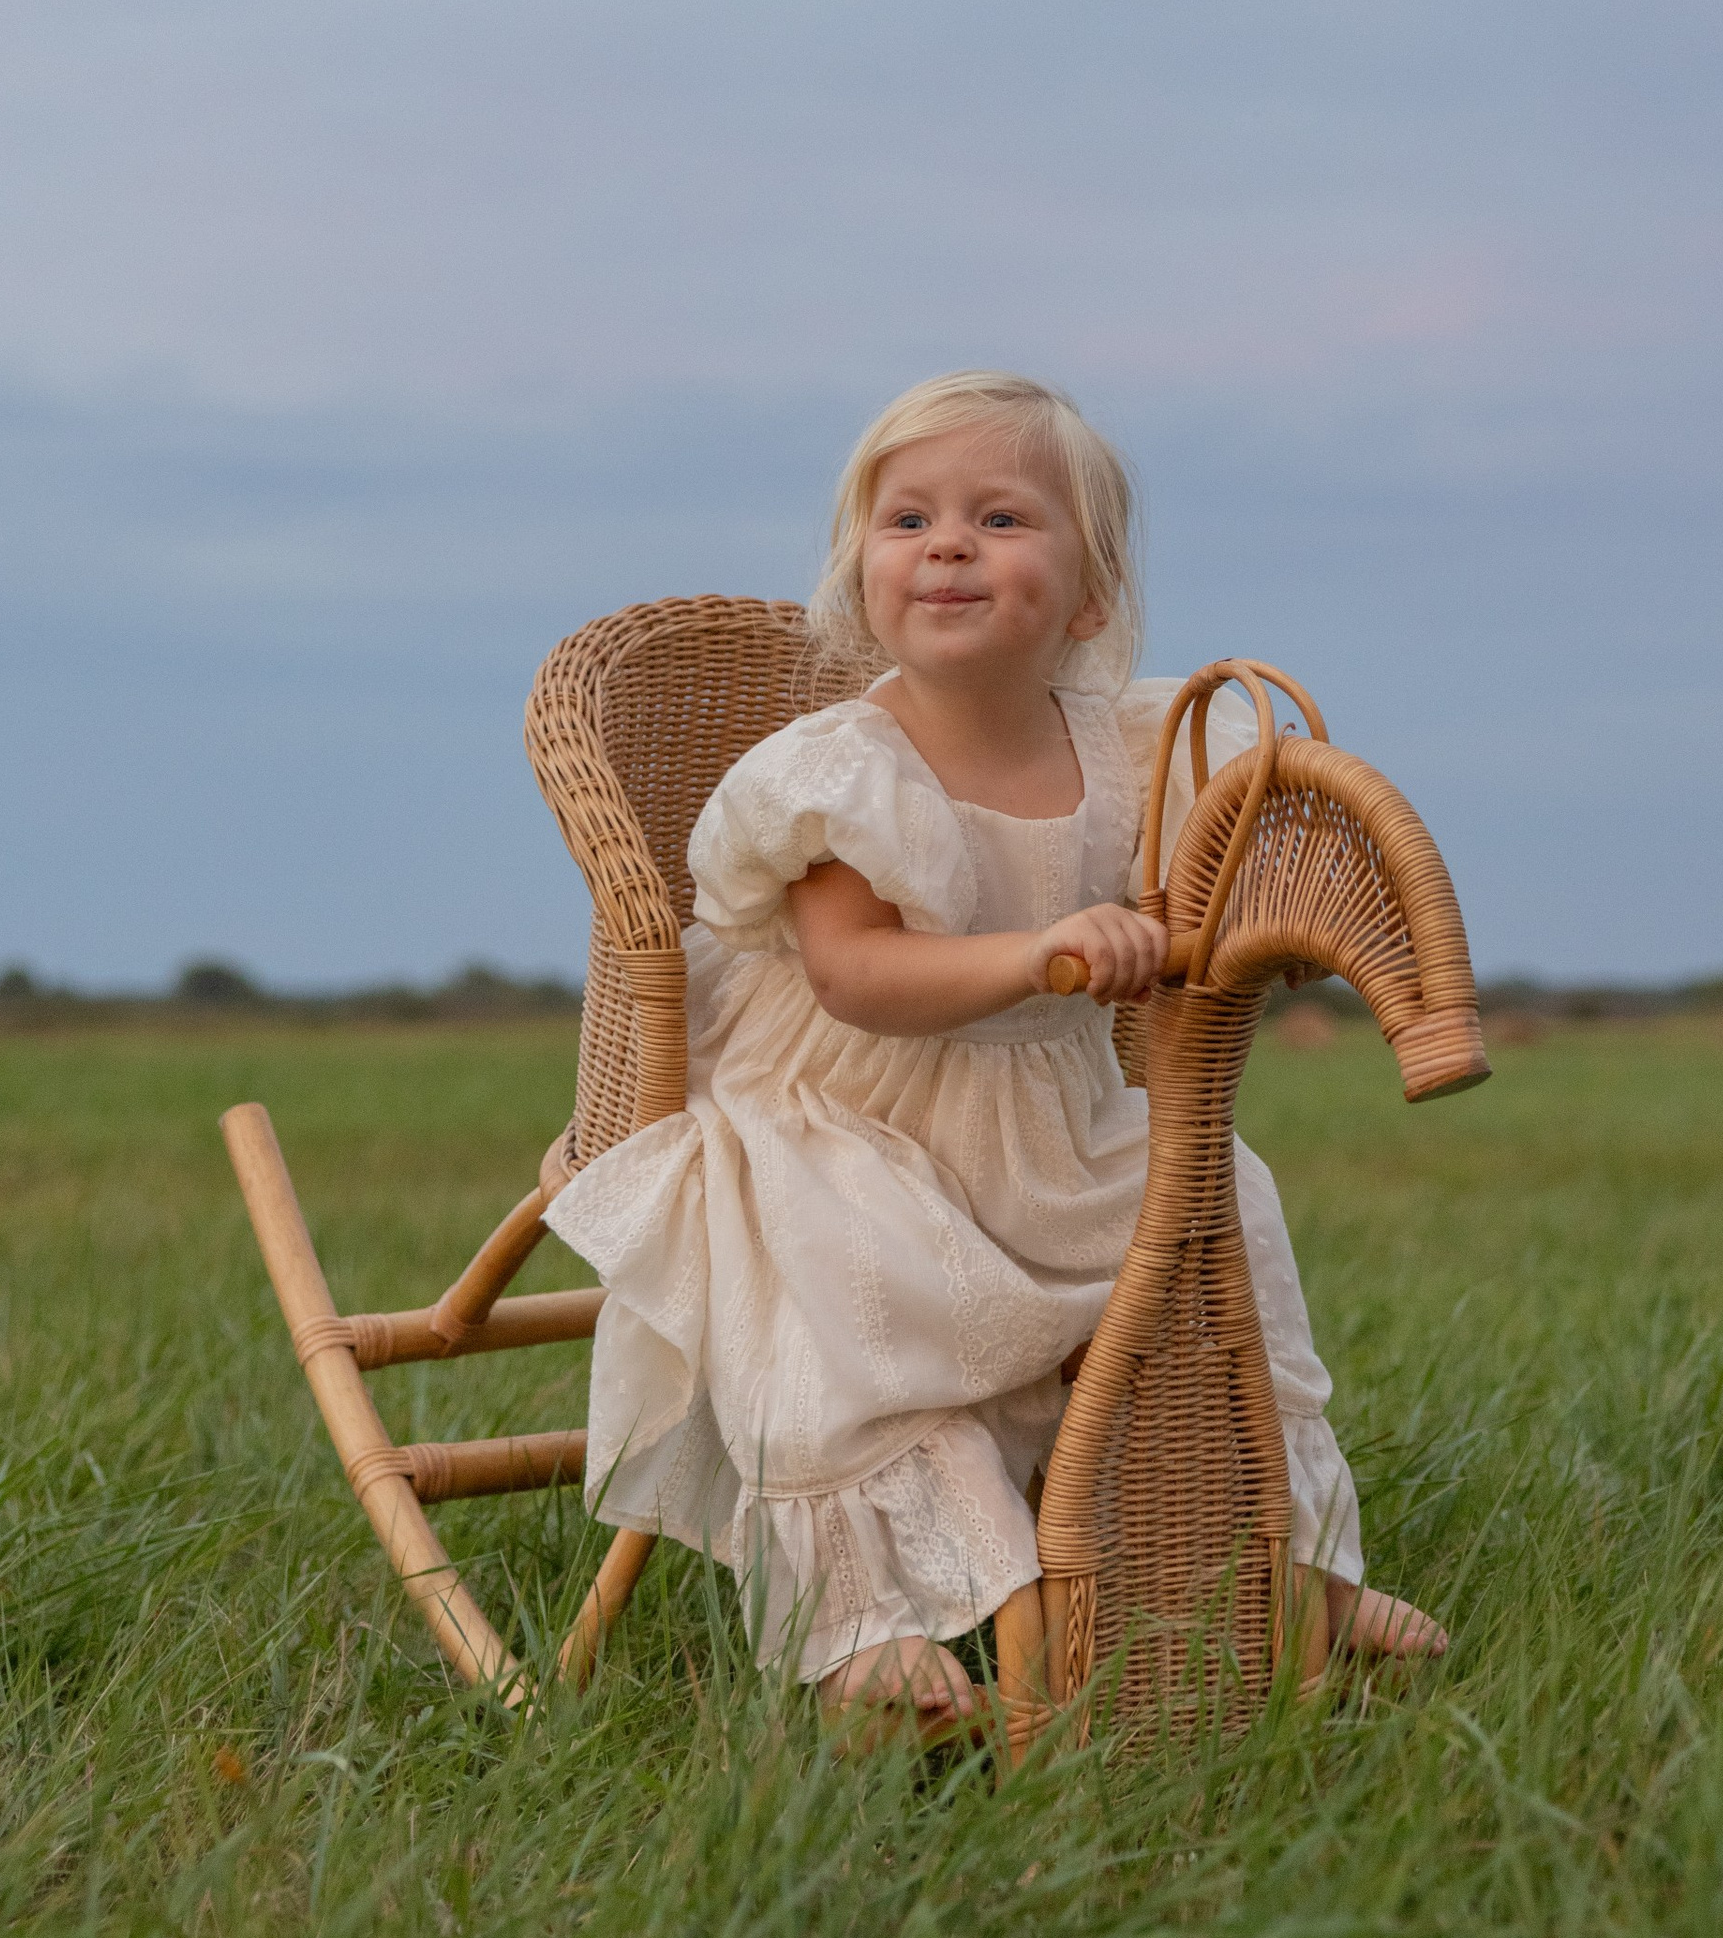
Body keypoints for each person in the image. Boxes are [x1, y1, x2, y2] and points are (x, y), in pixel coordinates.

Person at [546, 368, 1445, 1728]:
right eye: (906, 519)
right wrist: (1041, 953)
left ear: (1089, 596)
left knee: (1226, 1212)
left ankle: (1287, 1562)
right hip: (841, 1111)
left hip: (1049, 1113)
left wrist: (1223, 916)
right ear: (861, 581)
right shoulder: (837, 770)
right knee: (847, 1300)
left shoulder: (1136, 749)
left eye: (1002, 516)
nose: (948, 543)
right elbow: (854, 975)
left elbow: (1187, 897)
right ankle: (868, 1631)